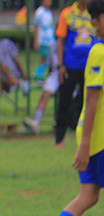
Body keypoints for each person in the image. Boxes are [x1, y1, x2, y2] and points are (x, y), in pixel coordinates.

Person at [34, 0, 104, 216]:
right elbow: (91, 101)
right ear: (96, 23)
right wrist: (85, 144)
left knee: (87, 196)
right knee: (88, 196)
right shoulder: (98, 52)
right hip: (99, 139)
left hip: (95, 138)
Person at [55, 0, 93, 146]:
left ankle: (86, 136)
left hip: (90, 67)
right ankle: (59, 138)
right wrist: (60, 65)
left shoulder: (94, 13)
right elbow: (60, 40)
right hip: (70, 66)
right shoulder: (67, 14)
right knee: (64, 101)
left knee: (87, 101)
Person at [25, 42, 61, 132]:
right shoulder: (52, 47)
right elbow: (51, 66)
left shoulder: (70, 43)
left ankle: (63, 122)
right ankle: (36, 122)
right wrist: (48, 80)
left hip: (69, 72)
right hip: (55, 75)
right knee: (45, 95)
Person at [34, 0, 58, 81]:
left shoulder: (49, 12)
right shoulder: (39, 12)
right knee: (43, 58)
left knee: (51, 61)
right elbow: (36, 27)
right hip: (43, 40)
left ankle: (50, 77)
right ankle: (38, 76)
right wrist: (36, 41)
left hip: (51, 41)